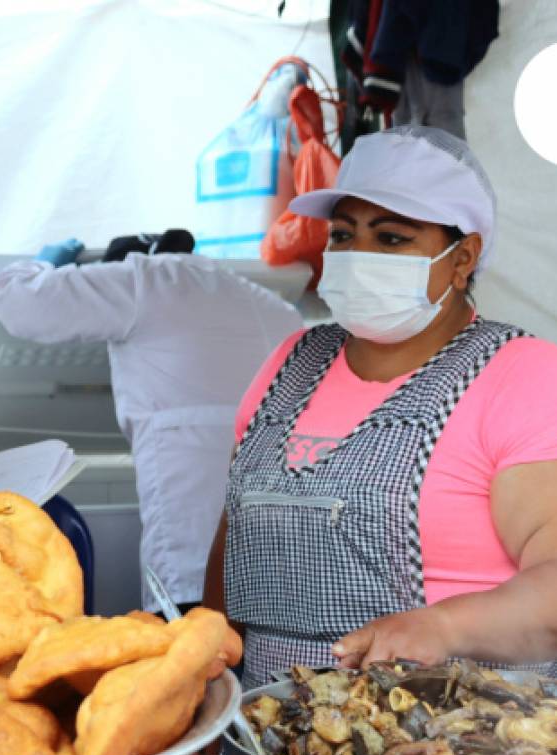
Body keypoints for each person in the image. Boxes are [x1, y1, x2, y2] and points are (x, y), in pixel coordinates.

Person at [201, 125, 557, 693]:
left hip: (461, 751)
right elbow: (235, 539)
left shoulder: (523, 375)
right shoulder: (290, 362)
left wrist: (445, 626)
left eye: (391, 239)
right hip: (272, 739)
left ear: (463, 258)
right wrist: (204, 684)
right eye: (343, 235)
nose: (357, 256)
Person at [0, 234, 302, 611]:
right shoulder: (278, 310)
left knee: (198, 658)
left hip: (193, 564)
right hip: (288, 564)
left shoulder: (150, 277)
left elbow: (20, 304)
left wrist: (43, 262)